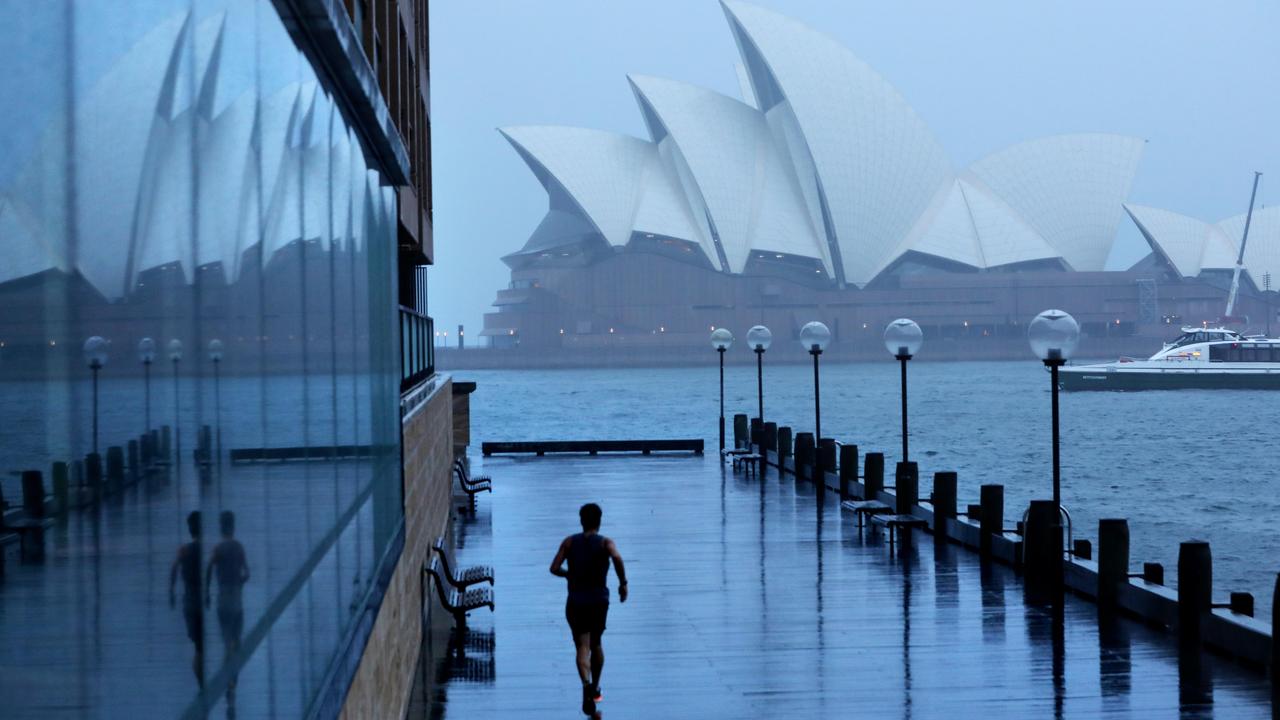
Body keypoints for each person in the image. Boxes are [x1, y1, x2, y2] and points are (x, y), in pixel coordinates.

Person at [549, 503, 627, 716]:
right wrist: (623, 583)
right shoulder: (605, 543)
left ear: (581, 521)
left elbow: (554, 568)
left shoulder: (569, 542)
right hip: (598, 601)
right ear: (599, 521)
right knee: (597, 643)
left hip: (575, 601)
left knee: (582, 646)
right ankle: (595, 686)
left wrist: (569, 574)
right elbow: (617, 557)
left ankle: (585, 683)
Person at [206, 510, 250, 702]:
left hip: (222, 598)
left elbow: (208, 568)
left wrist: (207, 592)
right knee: (236, 640)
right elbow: (247, 573)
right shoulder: (238, 548)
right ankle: (231, 682)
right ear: (233, 526)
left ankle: (228, 681)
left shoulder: (218, 549)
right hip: (236, 598)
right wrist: (240, 581)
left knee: (226, 640)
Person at [170, 511, 204, 688]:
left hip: (189, 602)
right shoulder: (205, 549)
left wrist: (171, 592)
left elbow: (174, 569)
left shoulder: (184, 550)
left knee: (198, 648)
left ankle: (201, 685)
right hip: (202, 603)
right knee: (203, 647)